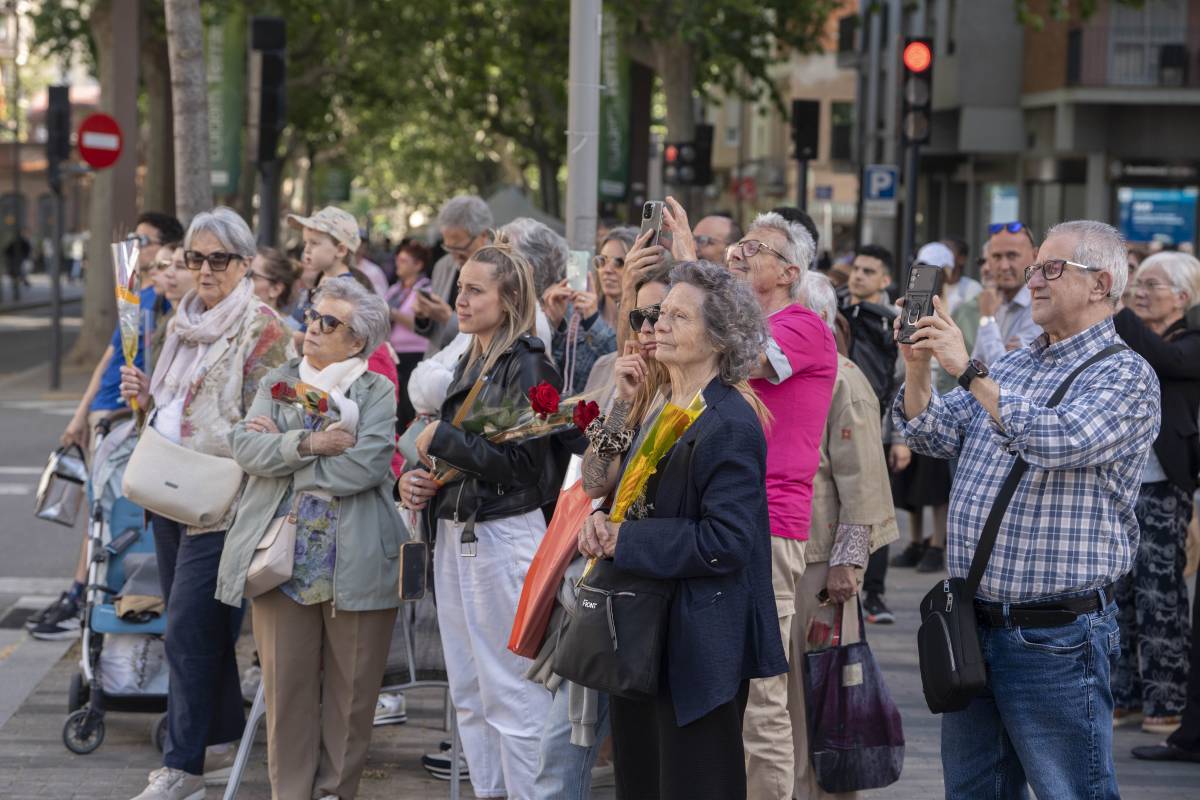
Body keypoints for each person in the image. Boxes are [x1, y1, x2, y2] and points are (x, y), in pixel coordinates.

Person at [893, 220, 1160, 799]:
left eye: (1051, 268)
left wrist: (966, 371)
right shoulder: (1014, 367)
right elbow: (931, 434)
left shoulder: (1126, 374)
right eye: (1034, 267)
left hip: (1056, 636)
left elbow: (1058, 439)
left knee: (1073, 791)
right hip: (974, 621)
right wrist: (919, 364)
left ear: (1101, 284)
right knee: (974, 792)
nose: (1031, 279)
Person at [577, 260, 785, 800]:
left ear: (718, 336)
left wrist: (625, 539)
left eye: (676, 316)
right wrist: (603, 521)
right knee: (641, 781)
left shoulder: (730, 422)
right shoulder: (664, 403)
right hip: (647, 631)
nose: (657, 325)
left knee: (695, 784)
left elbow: (727, 543)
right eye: (659, 312)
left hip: (697, 642)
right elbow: (620, 490)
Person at [120, 207, 294, 800]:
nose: (206, 269)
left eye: (220, 258)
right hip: (170, 489)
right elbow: (173, 405)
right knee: (204, 629)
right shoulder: (181, 321)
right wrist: (147, 399)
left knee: (187, 629)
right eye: (197, 258)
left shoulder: (263, 328)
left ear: (246, 263)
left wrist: (195, 434)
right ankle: (221, 739)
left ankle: (182, 766)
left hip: (224, 497)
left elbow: (265, 421)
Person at [217, 278, 404, 800]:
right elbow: (245, 448)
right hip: (280, 558)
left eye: (329, 322)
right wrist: (311, 442)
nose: (313, 328)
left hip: (359, 560)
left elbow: (365, 467)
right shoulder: (279, 379)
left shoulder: (377, 389)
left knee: (352, 697)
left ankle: (334, 793)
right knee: (287, 692)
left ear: (358, 341)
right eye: (312, 315)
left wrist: (283, 455)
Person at [399, 236, 563, 800]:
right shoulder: (474, 354)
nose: (460, 299)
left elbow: (528, 468)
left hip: (502, 537)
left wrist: (442, 439)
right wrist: (417, 477)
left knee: (511, 692)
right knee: (469, 689)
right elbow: (466, 456)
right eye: (459, 288)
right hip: (458, 534)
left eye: (474, 290)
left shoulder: (530, 361)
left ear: (510, 296)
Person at [698, 209, 838, 800]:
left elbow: (736, 361)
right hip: (725, 519)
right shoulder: (755, 320)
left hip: (772, 524)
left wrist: (696, 270)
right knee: (725, 684)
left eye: (751, 248)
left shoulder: (802, 325)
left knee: (762, 692)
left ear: (788, 271)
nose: (736, 253)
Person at [28, 211, 183, 641]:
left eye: (146, 240)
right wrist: (79, 415)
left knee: (112, 509)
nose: (139, 247)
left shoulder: (169, 304)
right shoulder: (137, 297)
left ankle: (87, 593)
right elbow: (107, 359)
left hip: (125, 417)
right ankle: (85, 592)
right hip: (106, 413)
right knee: (99, 508)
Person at [794, 271, 899, 799]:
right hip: (784, 555)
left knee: (822, 702)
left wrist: (847, 566)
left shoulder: (842, 377)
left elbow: (863, 481)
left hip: (820, 565)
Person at [1109, 251, 1200, 735]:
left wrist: (1116, 305)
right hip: (1119, 483)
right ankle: (1123, 697)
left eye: (1151, 285)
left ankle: (1166, 701)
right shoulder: (1125, 339)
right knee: (1117, 595)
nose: (1139, 293)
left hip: (1165, 487)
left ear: (1182, 297)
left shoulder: (1190, 342)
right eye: (1135, 284)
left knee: (1159, 595)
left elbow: (1166, 359)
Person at [889, 243, 956, 576]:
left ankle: (937, 544)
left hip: (948, 404)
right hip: (913, 398)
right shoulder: (906, 309)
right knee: (910, 482)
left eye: (933, 271)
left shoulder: (963, 305)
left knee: (935, 484)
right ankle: (915, 541)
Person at [542, 224, 633, 392]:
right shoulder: (577, 312)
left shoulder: (641, 320)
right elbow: (555, 373)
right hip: (570, 414)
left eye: (619, 262)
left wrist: (593, 322)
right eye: (602, 261)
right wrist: (556, 324)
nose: (607, 270)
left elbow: (622, 363)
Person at [415, 194, 493, 357]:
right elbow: (435, 335)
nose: (454, 256)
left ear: (483, 235)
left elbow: (495, 333)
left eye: (459, 247)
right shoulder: (444, 265)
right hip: (438, 364)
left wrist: (448, 318)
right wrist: (425, 315)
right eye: (448, 248)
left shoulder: (500, 270)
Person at [286, 206, 368, 347]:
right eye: (306, 242)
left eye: (314, 243)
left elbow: (307, 335)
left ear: (341, 250)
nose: (306, 250)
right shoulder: (320, 281)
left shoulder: (343, 291)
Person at [973, 222, 1043, 366]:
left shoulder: (1042, 302)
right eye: (997, 257)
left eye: (1012, 256)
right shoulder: (995, 300)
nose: (1004, 266)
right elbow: (976, 365)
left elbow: (1005, 373)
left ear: (1035, 256)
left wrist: (987, 318)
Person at [842, 244, 898, 407]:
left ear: (885, 281)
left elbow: (900, 377)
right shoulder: (833, 308)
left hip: (874, 413)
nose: (858, 276)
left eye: (868, 271)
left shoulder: (894, 322)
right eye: (856, 269)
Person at [386, 240, 434, 431]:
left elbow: (423, 326)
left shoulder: (425, 290)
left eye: (404, 261)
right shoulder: (395, 290)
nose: (398, 264)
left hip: (415, 353)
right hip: (394, 353)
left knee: (409, 404)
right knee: (396, 404)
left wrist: (395, 314)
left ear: (418, 265)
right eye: (398, 260)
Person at [248, 246, 298, 317]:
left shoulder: (287, 327)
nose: (242, 280)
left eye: (252, 276)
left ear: (275, 289)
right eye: (244, 273)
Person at [941, 237, 983, 313]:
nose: (941, 254)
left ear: (962, 259)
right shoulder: (930, 287)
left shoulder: (973, 288)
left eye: (947, 250)